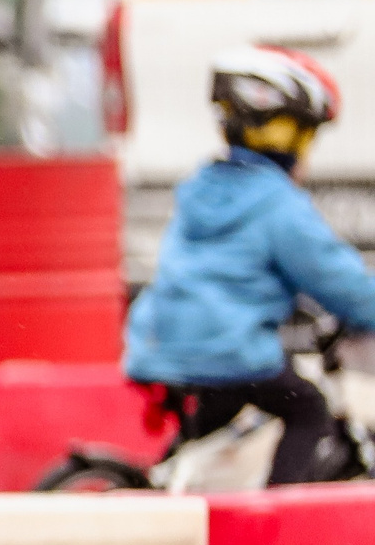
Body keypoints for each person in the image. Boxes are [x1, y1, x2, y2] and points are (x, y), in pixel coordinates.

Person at [125, 44, 375, 483]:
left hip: (161, 342)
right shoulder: (277, 203)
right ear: (293, 138)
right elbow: (337, 279)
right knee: (308, 409)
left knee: (218, 418)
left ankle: (159, 485)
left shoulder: (201, 186)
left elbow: (217, 273)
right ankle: (278, 523)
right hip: (229, 351)